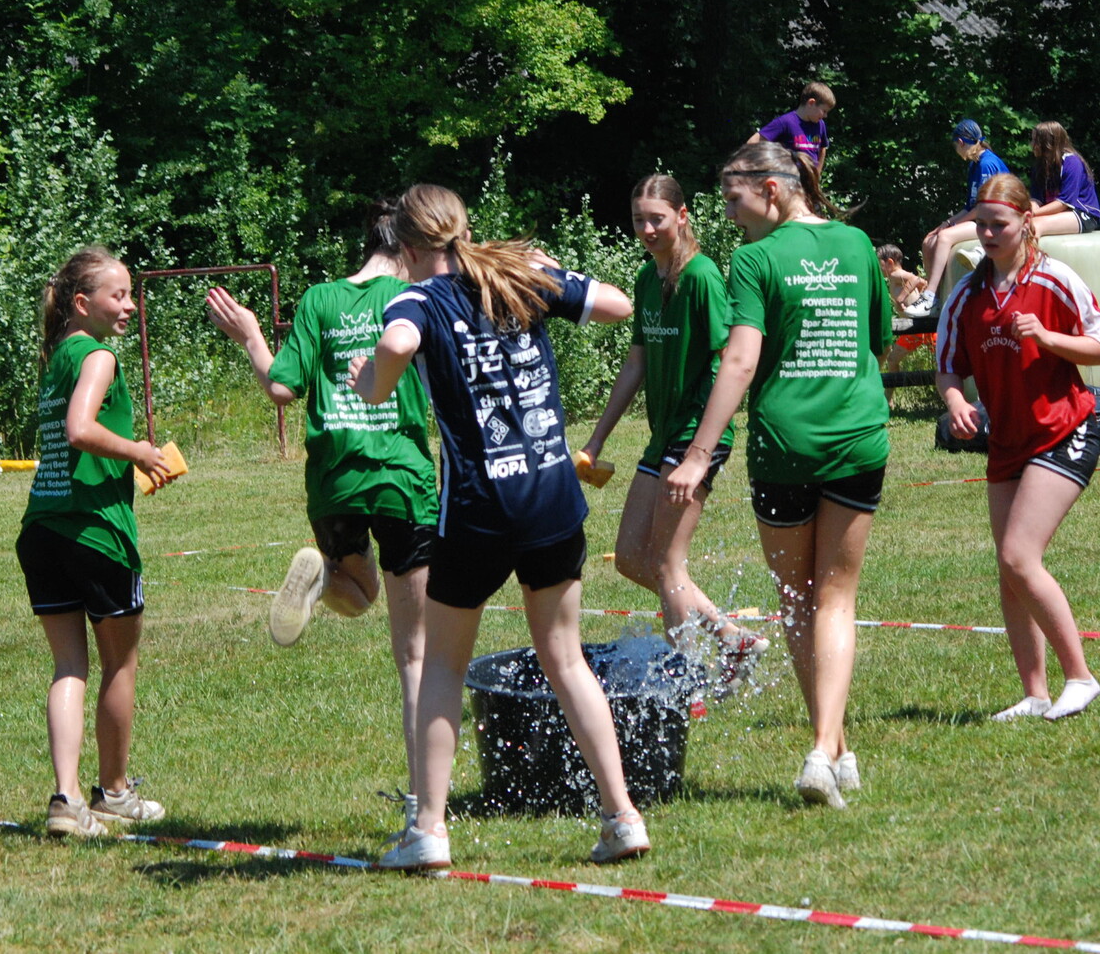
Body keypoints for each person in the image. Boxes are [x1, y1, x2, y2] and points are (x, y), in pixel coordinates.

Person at [350, 183, 650, 869]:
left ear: (405, 246)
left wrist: (373, 377)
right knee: (565, 658)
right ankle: (622, 816)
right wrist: (550, 271)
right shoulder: (519, 276)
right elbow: (617, 304)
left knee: (442, 665)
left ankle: (429, 830)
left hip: (481, 511)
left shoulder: (416, 299)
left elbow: (396, 342)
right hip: (552, 499)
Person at [666, 142, 891, 810]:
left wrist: (699, 453)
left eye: (733, 201)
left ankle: (823, 749)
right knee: (835, 600)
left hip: (785, 445)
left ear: (770, 188)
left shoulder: (754, 259)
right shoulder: (857, 245)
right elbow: (878, 342)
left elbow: (739, 360)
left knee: (800, 600)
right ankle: (834, 748)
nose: (729, 216)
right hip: (857, 437)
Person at [205, 199, 437, 830]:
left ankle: (322, 578)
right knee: (415, 655)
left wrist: (251, 335)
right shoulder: (417, 298)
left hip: (334, 480)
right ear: (410, 247)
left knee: (359, 595)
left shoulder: (319, 300)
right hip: (402, 478)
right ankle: (423, 802)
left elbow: (282, 388)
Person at [578, 174, 767, 689]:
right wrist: (597, 438)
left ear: (682, 217)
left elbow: (729, 358)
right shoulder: (646, 278)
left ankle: (684, 686)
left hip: (696, 435)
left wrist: (700, 449)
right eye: (638, 219)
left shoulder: (702, 276)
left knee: (666, 564)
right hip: (662, 436)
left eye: (657, 219)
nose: (647, 229)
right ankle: (732, 638)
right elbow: (636, 363)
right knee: (632, 558)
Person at [935, 174, 1100, 723]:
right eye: (980, 225)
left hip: (1063, 430)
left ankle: (1080, 678)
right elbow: (948, 368)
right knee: (1009, 570)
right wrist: (954, 402)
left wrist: (1047, 337)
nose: (987, 234)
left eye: (999, 225)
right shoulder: (966, 295)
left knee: (1018, 556)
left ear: (1026, 222)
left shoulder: (1056, 279)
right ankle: (1035, 694)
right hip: (1006, 441)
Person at [18, 247, 171, 839]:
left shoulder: (57, 355)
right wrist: (139, 452)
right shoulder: (99, 355)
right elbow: (79, 430)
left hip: (43, 529)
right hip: (95, 532)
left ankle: (67, 799)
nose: (130, 305)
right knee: (119, 664)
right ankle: (113, 793)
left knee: (68, 666)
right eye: (119, 295)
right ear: (82, 304)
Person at [913, 119, 1009, 318]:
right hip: (981, 218)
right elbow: (970, 207)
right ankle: (935, 301)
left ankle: (929, 296)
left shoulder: (987, 164)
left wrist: (952, 226)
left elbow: (983, 207)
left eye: (956, 146)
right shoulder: (974, 164)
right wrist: (946, 223)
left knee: (944, 237)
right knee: (929, 240)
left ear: (960, 142)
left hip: (995, 222)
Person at [877, 245, 933, 403]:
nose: (878, 268)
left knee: (944, 360)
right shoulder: (895, 277)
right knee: (892, 359)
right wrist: (919, 295)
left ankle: (888, 398)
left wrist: (901, 298)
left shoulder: (896, 274)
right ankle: (888, 399)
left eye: (879, 264)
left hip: (920, 327)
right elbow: (922, 282)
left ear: (889, 262)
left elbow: (915, 279)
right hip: (914, 328)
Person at [1027, 121, 1100, 236]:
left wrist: (1034, 214)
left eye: (1035, 140)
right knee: (1023, 223)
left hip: (1083, 213)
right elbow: (1036, 199)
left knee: (1035, 225)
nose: (1031, 145)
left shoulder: (1072, 162)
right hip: (1059, 212)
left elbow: (1064, 203)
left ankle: (1032, 248)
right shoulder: (1040, 166)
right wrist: (1030, 211)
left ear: (1047, 143)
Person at [749, 81, 835, 169]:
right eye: (824, 111)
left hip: (810, 176)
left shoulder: (820, 125)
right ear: (811, 103)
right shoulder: (785, 122)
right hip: (789, 175)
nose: (825, 115)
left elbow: (822, 149)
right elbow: (752, 143)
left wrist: (817, 173)